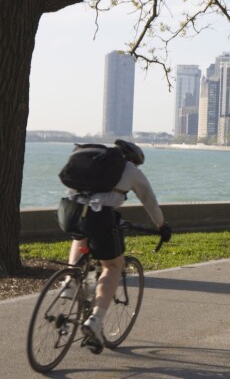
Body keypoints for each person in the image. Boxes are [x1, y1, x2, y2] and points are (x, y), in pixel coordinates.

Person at [62, 139, 170, 349]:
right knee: (112, 265)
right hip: (99, 216)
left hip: (69, 210)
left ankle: (69, 280)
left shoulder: (92, 159)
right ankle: (95, 321)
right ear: (133, 160)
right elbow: (149, 200)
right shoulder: (129, 169)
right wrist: (161, 226)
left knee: (80, 236)